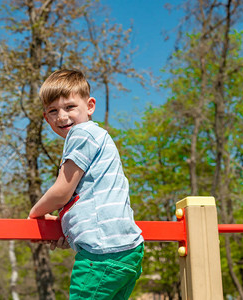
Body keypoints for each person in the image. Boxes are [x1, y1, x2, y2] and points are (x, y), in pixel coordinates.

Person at [28, 69, 144, 299]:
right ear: (46, 117)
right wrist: (70, 231)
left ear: (89, 106)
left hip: (102, 254)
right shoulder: (97, 137)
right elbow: (89, 198)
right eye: (53, 110)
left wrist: (34, 214)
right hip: (127, 250)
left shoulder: (82, 134)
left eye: (70, 107)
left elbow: (62, 191)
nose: (62, 116)